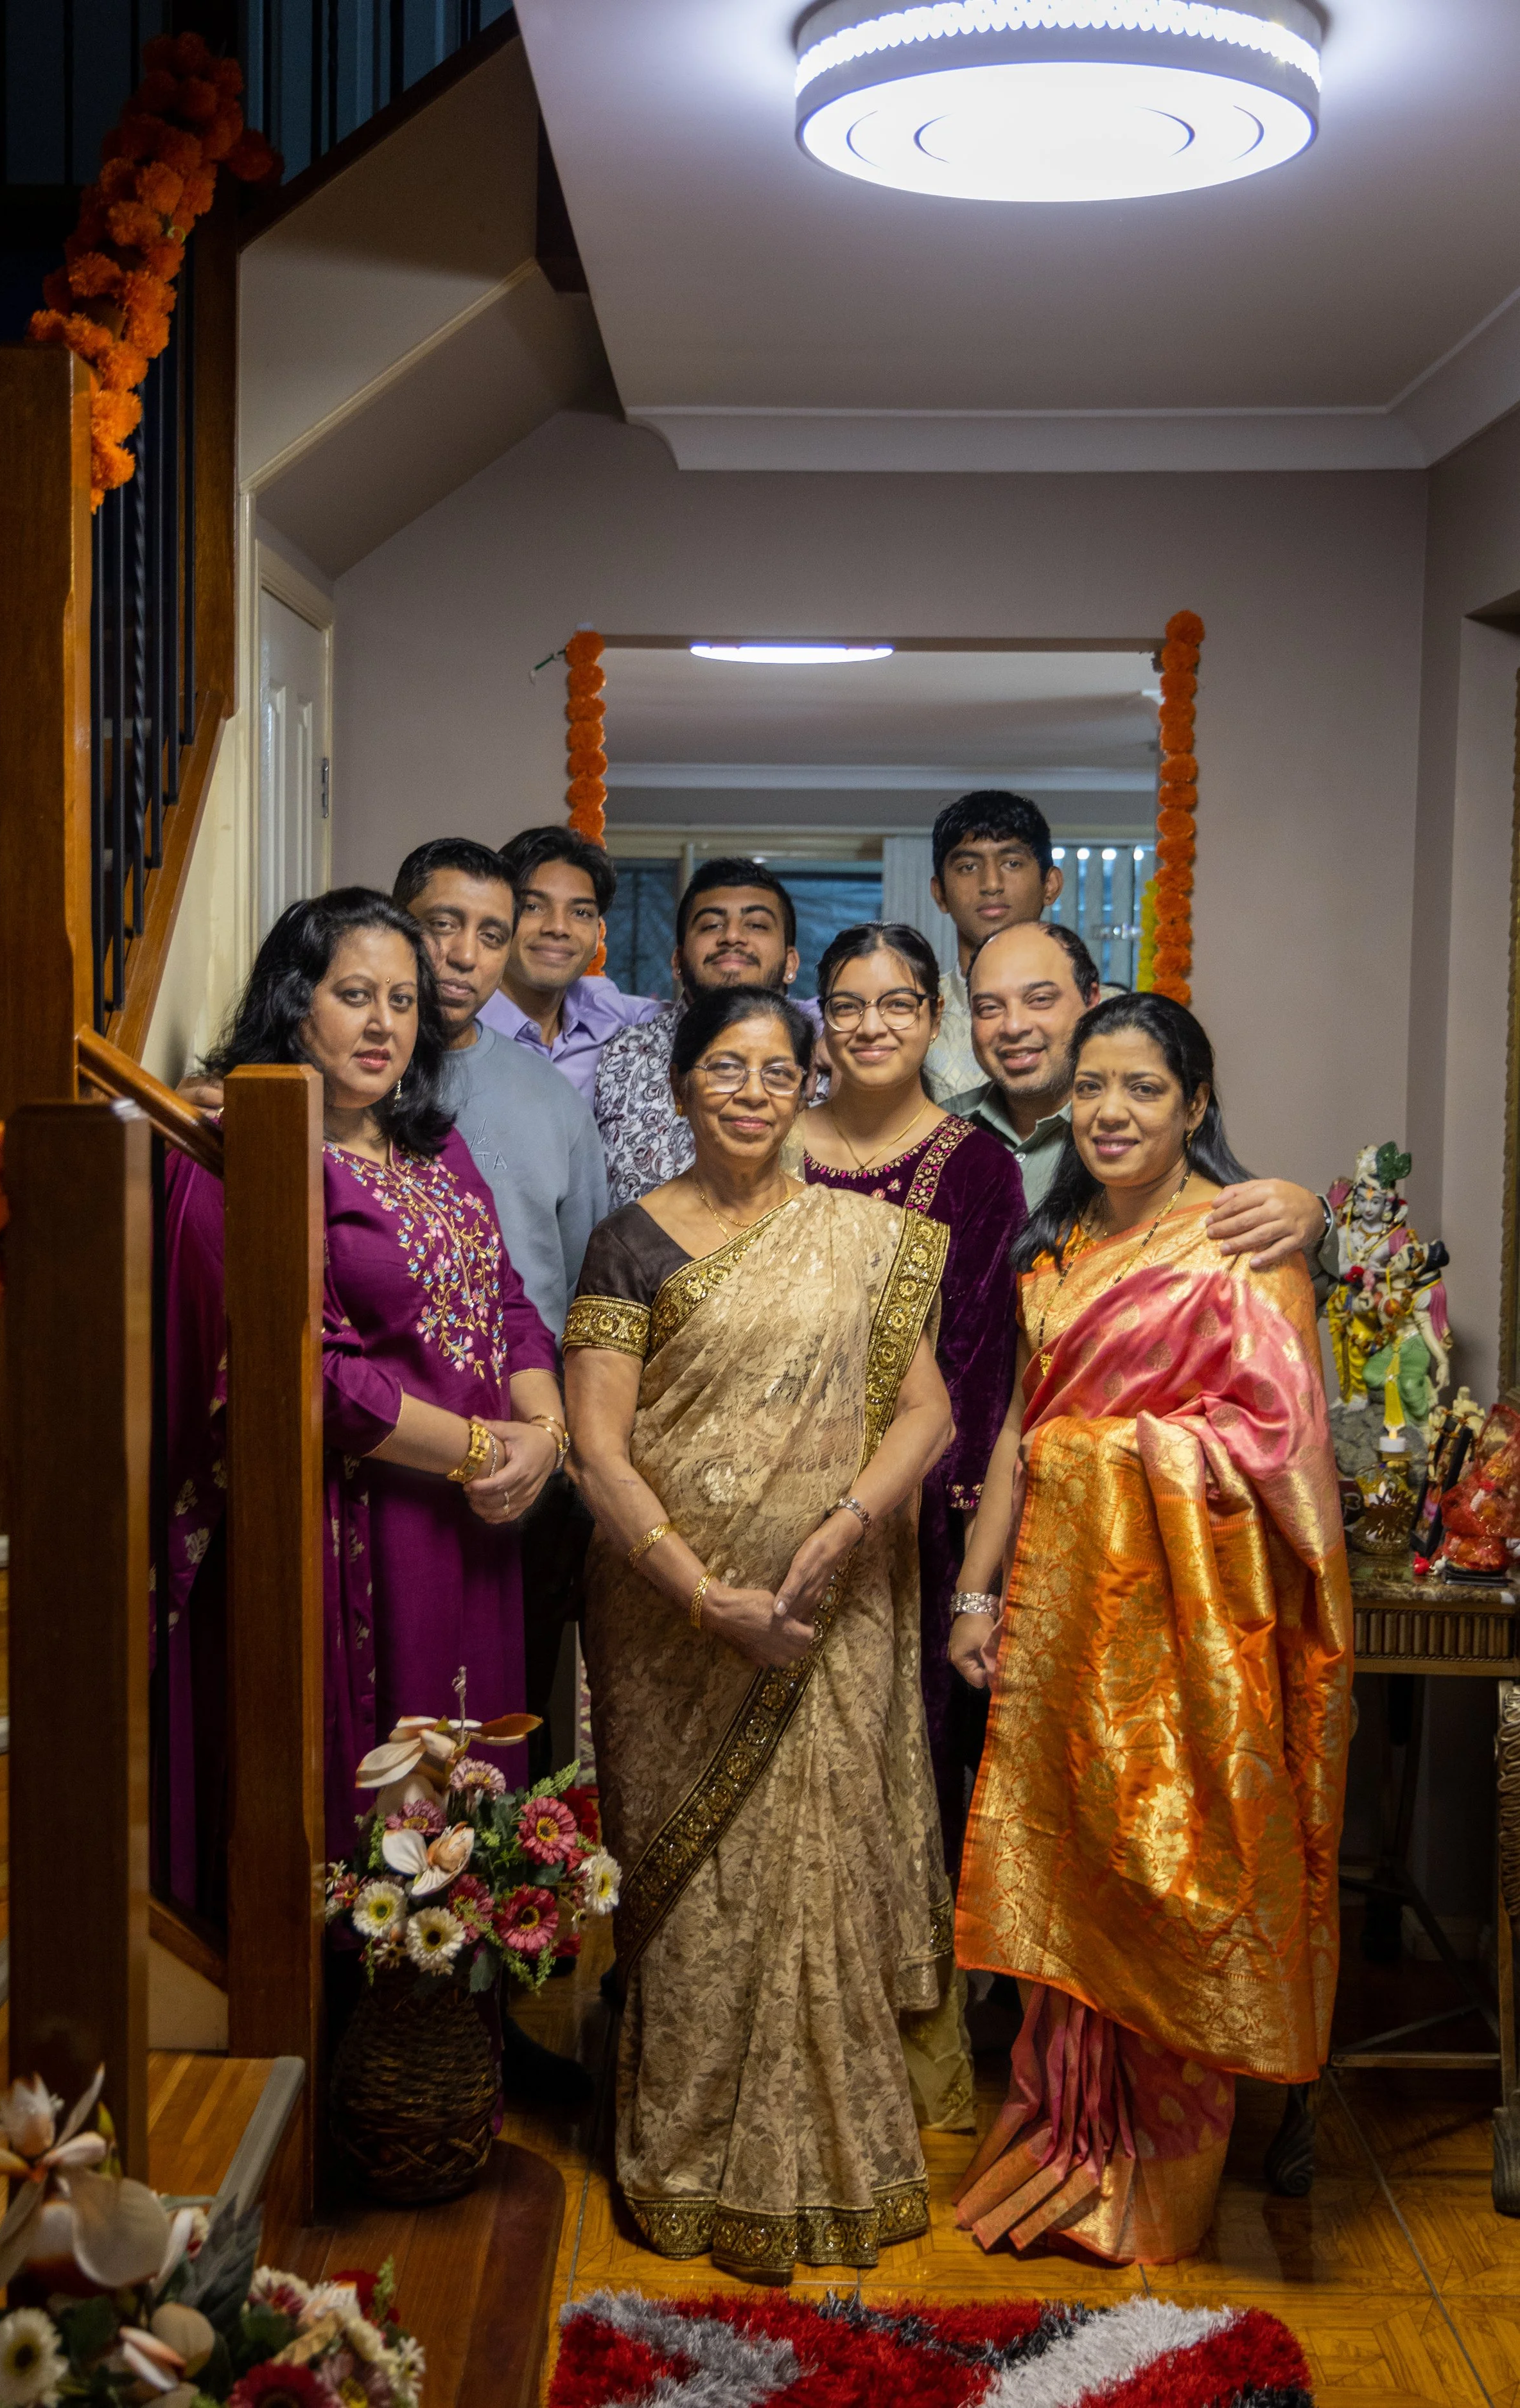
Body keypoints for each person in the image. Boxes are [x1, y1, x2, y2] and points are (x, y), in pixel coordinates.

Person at [947, 991, 1351, 2266]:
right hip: (1067, 1624)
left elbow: (1282, 1456)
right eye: (1092, 1088)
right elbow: (1020, 1435)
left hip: (1189, 1634)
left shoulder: (1243, 1245)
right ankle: (1066, 2136)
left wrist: (1115, 1458)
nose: (1110, 1112)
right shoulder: (1052, 1249)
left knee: (1173, 1872)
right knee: (1073, 1865)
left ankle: (1162, 2177)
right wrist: (974, 1588)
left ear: (1192, 1108)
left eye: (1141, 1089)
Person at [564, 986, 956, 2279]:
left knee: (817, 1880)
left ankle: (830, 2172)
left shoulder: (866, 1238)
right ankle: (684, 2170)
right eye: (722, 1068)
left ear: (805, 1087)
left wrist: (842, 1529)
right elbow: (599, 1450)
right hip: (668, 1628)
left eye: (774, 1069)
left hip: (830, 1616)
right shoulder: (628, 1243)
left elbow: (927, 1417)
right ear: (681, 1086)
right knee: (695, 1898)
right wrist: (699, 1595)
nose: (747, 1090)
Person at [164, 889, 565, 1892]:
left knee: (477, 1792)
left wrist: (546, 1435)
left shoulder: (433, 1144)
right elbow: (312, 1374)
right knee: (381, 1813)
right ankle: (363, 2033)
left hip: (479, 1524)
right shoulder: (244, 1153)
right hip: (365, 1526)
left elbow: (509, 1301)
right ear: (296, 1002)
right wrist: (487, 1452)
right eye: (354, 994)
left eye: (401, 998)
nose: (384, 1023)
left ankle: (455, 2040)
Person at [787, 923, 1022, 1887]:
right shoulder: (771, 1141)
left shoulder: (976, 1166)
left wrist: (964, 1561)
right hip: (770, 1498)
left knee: (903, 1769)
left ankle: (895, 2007)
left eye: (896, 1004)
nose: (870, 1025)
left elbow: (981, 1367)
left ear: (935, 1017)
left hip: (919, 1526)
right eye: (846, 1003)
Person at [391, 837, 607, 1793]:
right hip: (390, 1433)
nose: (463, 955)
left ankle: (521, 1910)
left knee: (515, 1705)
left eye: (489, 933)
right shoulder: (357, 1076)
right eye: (442, 927)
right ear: (398, 926)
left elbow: (582, 1278)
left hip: (531, 1435)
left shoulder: (548, 1096)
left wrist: (559, 1436)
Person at [961, 918, 1337, 1273]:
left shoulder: (1139, 1148)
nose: (1013, 1026)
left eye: (1040, 999)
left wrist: (1317, 1219)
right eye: (989, 1008)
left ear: (1093, 998)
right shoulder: (939, 1133)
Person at [594, 856, 818, 1208]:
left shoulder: (823, 1057)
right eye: (711, 925)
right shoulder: (624, 1053)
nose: (732, 937)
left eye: (757, 925)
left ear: (791, 963)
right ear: (678, 960)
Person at [480, 824, 659, 1102]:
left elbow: (697, 1015)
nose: (558, 928)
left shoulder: (606, 1012)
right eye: (533, 907)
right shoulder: (460, 1029)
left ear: (598, 933)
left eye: (580, 912)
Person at [923, 790, 1065, 1104]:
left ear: (1050, 885)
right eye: (968, 868)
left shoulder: (1106, 1012)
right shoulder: (913, 1016)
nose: (991, 884)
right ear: (939, 893)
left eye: (1012, 863)